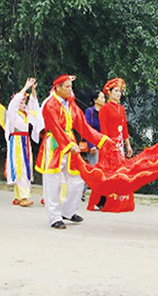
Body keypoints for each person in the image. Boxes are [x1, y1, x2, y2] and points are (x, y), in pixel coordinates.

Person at [36, 75, 111, 229]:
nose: (71, 90)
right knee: (52, 182)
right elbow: (55, 128)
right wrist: (69, 144)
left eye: (71, 86)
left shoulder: (71, 105)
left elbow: (83, 126)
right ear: (57, 88)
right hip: (55, 144)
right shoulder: (50, 105)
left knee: (77, 178)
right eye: (67, 87)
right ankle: (54, 217)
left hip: (70, 142)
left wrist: (102, 140)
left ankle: (68, 211)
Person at [88, 78, 135, 212]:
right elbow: (104, 130)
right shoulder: (105, 109)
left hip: (119, 145)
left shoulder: (121, 109)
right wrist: (109, 144)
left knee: (120, 172)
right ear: (109, 93)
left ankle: (119, 200)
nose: (118, 93)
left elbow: (124, 128)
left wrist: (128, 145)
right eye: (116, 91)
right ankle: (101, 200)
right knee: (107, 173)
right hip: (109, 145)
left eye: (120, 91)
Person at [5, 78, 39, 207]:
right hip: (17, 141)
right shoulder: (13, 114)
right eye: (22, 102)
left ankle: (18, 195)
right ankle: (24, 196)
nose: (24, 105)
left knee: (25, 166)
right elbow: (14, 103)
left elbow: (34, 105)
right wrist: (25, 87)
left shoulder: (26, 115)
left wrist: (33, 90)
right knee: (20, 167)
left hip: (25, 141)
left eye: (24, 102)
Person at [82, 90, 104, 167]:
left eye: (104, 97)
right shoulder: (90, 111)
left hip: (104, 144)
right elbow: (87, 128)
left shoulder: (105, 112)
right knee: (95, 168)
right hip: (94, 144)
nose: (104, 99)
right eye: (101, 97)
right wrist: (91, 145)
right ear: (95, 100)